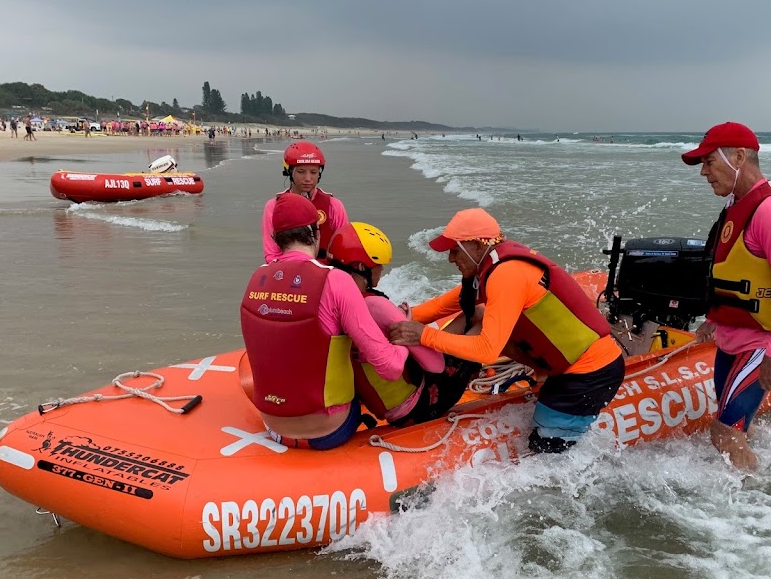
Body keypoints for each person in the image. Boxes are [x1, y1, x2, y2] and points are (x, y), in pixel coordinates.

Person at [389, 208, 625, 453]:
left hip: (590, 373)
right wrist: (390, 318)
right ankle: (543, 375)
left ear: (478, 246)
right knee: (478, 315)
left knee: (544, 452)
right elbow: (440, 306)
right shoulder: (490, 268)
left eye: (455, 249)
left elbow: (486, 350)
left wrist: (424, 335)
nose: (450, 258)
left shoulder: (506, 274)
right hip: (565, 368)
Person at [681, 122, 771, 472]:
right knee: (738, 426)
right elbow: (736, 270)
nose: (704, 173)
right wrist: (714, 318)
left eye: (708, 162)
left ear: (739, 157)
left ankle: (755, 504)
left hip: (761, 344)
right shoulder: (736, 204)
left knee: (723, 432)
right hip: (731, 340)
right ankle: (746, 487)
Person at [240, 193, 409, 449]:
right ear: (316, 234)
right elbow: (390, 367)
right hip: (327, 431)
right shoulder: (335, 281)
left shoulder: (256, 278)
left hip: (272, 425)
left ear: (275, 238)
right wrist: (405, 332)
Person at [326, 222, 483, 426]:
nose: (381, 270)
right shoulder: (376, 305)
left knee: (464, 318)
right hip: (419, 406)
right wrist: (407, 327)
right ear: (362, 267)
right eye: (379, 265)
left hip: (381, 405)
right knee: (479, 315)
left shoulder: (327, 300)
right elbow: (435, 365)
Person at [261, 141, 348, 263]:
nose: (308, 178)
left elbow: (343, 249)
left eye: (313, 172)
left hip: (326, 274)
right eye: (301, 171)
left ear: (320, 173)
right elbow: (272, 254)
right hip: (288, 273)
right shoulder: (273, 207)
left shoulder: (334, 205)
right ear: (290, 172)